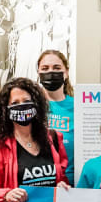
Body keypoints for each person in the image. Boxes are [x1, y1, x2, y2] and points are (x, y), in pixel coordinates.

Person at [38, 49, 76, 183]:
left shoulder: (78, 106)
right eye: (45, 68)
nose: (50, 72)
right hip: (39, 182)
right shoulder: (32, 105)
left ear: (66, 73)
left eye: (56, 68)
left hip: (72, 183)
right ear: (39, 73)